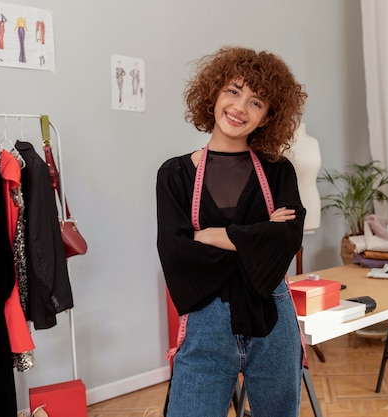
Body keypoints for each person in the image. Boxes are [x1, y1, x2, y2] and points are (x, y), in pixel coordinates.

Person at [156, 46, 308, 417]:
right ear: (214, 94)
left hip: (273, 323)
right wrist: (258, 235)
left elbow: (287, 241)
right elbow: (177, 255)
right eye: (234, 91)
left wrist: (208, 235)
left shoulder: (279, 171)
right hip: (206, 325)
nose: (240, 107)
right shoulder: (174, 174)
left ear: (268, 116)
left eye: (256, 102)